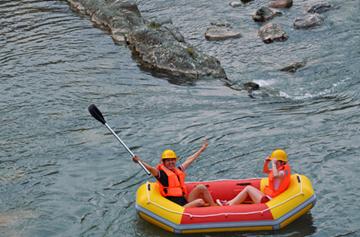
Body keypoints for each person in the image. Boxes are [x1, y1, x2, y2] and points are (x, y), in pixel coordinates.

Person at [132, 139, 217, 208]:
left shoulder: (178, 170)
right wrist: (139, 161)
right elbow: (150, 169)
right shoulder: (161, 175)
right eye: (168, 160)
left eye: (172, 160)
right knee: (200, 201)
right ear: (164, 162)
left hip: (184, 201)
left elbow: (189, 160)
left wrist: (201, 150)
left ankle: (214, 208)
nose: (171, 162)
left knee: (201, 187)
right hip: (177, 208)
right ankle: (205, 207)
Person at [217, 149, 291, 206]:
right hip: (269, 197)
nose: (274, 163)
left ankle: (229, 204)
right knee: (249, 189)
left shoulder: (282, 172)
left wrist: (274, 164)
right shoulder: (280, 169)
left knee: (248, 188)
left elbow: (275, 176)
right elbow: (265, 171)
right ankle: (230, 203)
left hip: (270, 201)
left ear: (282, 162)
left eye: (276, 162)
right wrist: (266, 162)